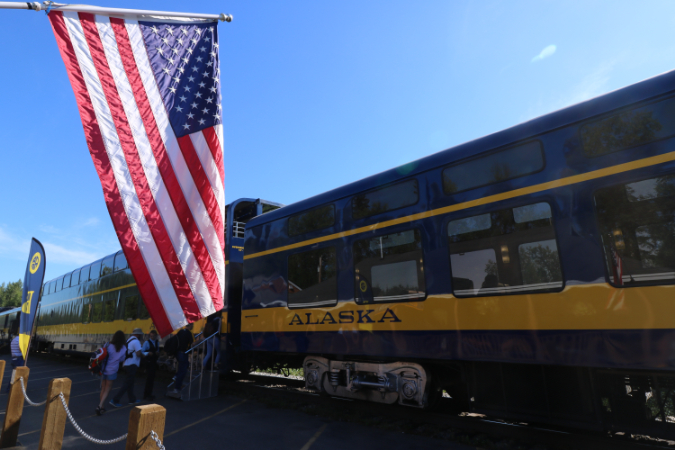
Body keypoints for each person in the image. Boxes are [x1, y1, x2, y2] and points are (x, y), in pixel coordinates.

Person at [109, 328, 143, 407]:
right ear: (138, 335)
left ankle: (132, 399)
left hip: (126, 364)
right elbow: (138, 354)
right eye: (140, 334)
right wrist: (145, 354)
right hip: (132, 364)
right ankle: (115, 400)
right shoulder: (136, 341)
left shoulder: (128, 341)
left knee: (130, 383)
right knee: (127, 384)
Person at [96, 330, 127, 415]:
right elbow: (121, 360)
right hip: (112, 371)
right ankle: (99, 406)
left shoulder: (108, 344)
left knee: (103, 388)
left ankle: (102, 407)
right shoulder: (123, 348)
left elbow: (102, 355)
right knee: (107, 389)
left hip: (103, 370)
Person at [167, 323, 193, 398]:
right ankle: (177, 388)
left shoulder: (181, 331)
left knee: (185, 366)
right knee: (182, 371)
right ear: (190, 325)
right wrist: (201, 340)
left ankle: (176, 376)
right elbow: (193, 344)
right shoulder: (188, 333)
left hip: (177, 353)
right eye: (192, 325)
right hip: (183, 353)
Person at [142, 329, 160, 401]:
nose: (152, 337)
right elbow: (143, 351)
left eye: (153, 336)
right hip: (149, 362)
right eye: (151, 336)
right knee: (149, 379)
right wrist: (148, 353)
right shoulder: (147, 342)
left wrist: (157, 353)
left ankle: (149, 393)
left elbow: (157, 350)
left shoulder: (157, 342)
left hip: (153, 362)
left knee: (152, 379)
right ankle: (146, 394)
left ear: (156, 336)